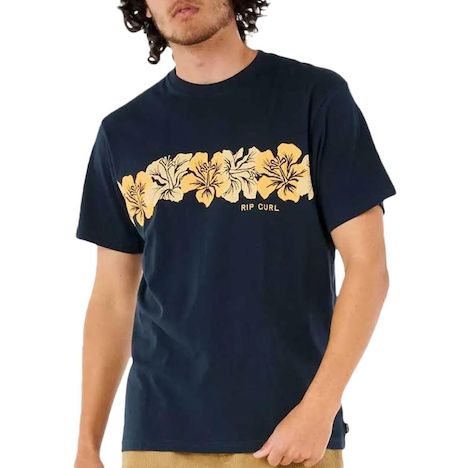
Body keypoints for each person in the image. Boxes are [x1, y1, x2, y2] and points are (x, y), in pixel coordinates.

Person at [73, 1, 397, 467]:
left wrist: (319, 409)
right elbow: (111, 298)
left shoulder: (315, 99)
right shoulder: (122, 133)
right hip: (156, 439)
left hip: (288, 437)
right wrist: (87, 446)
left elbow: (368, 268)